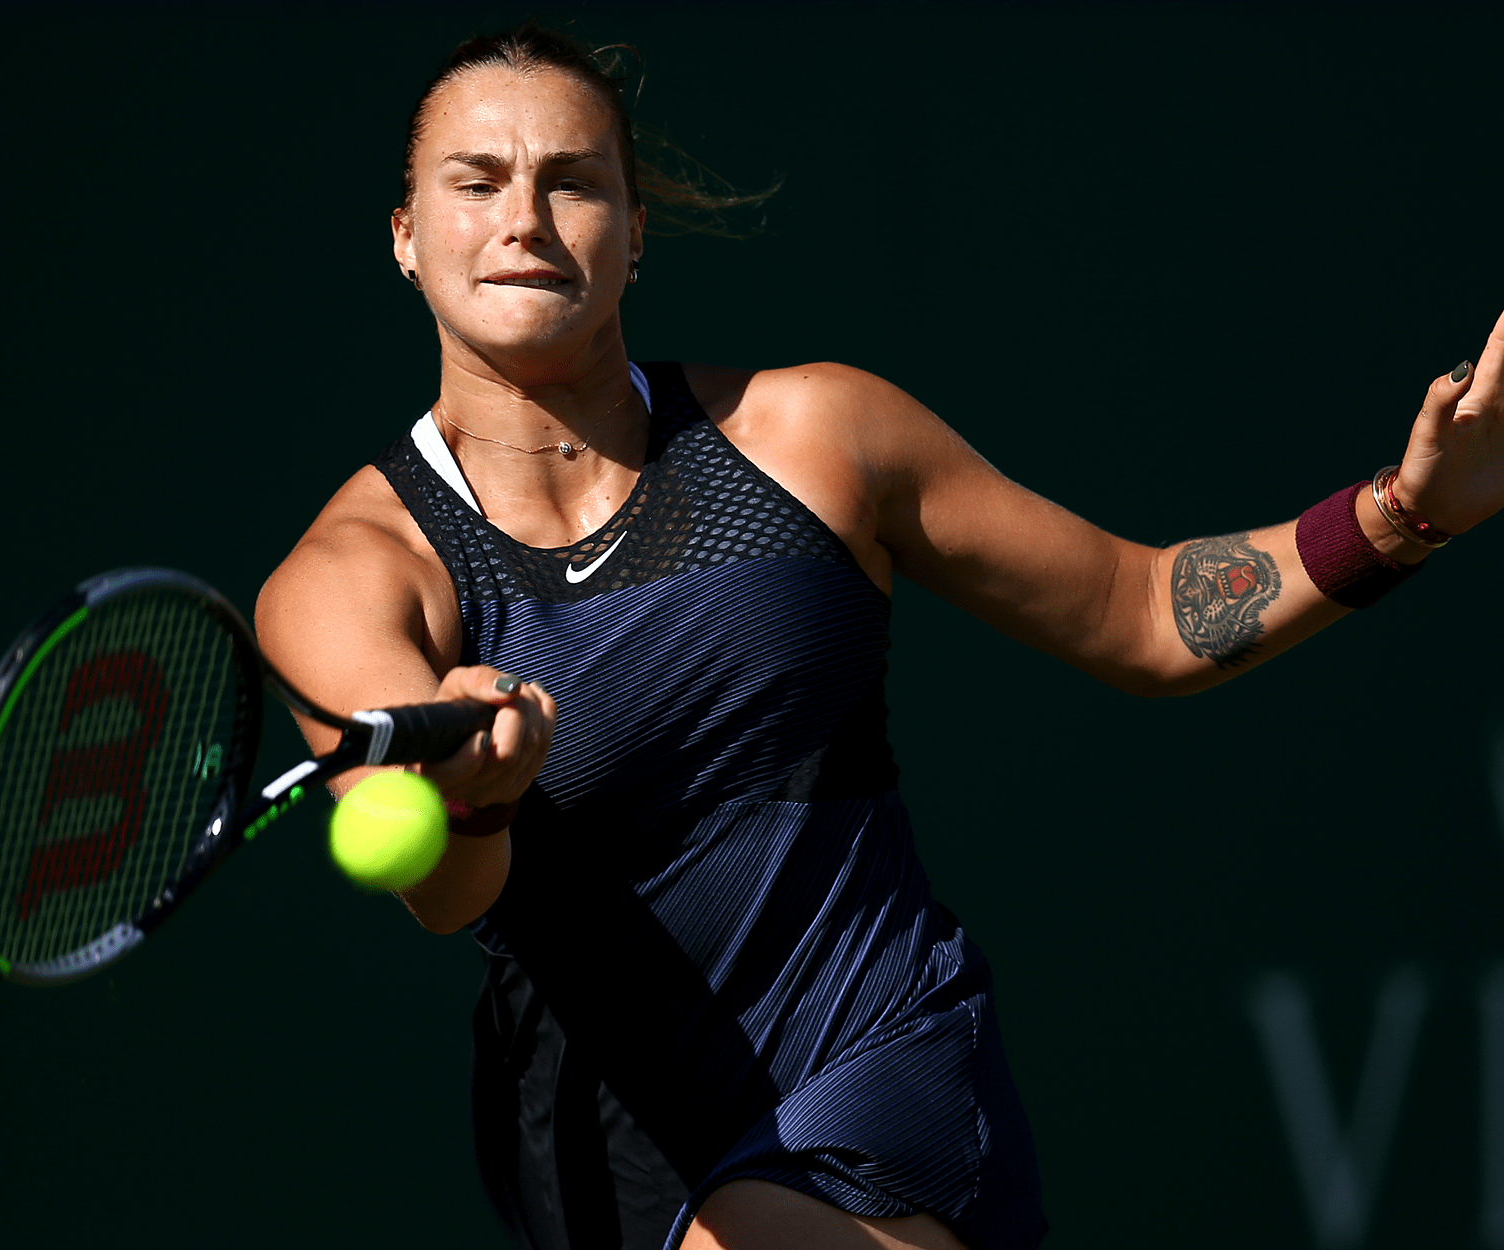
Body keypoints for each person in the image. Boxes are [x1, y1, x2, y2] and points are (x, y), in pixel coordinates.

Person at [254, 24, 1504, 1250]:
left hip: (878, 1058)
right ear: (407, 238)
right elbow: (441, 888)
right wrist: (474, 801)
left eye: (572, 180)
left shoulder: (819, 436)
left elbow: (1138, 611)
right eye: (475, 183)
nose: (523, 217)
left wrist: (1402, 514)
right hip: (603, 1156)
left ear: (633, 236)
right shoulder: (347, 578)